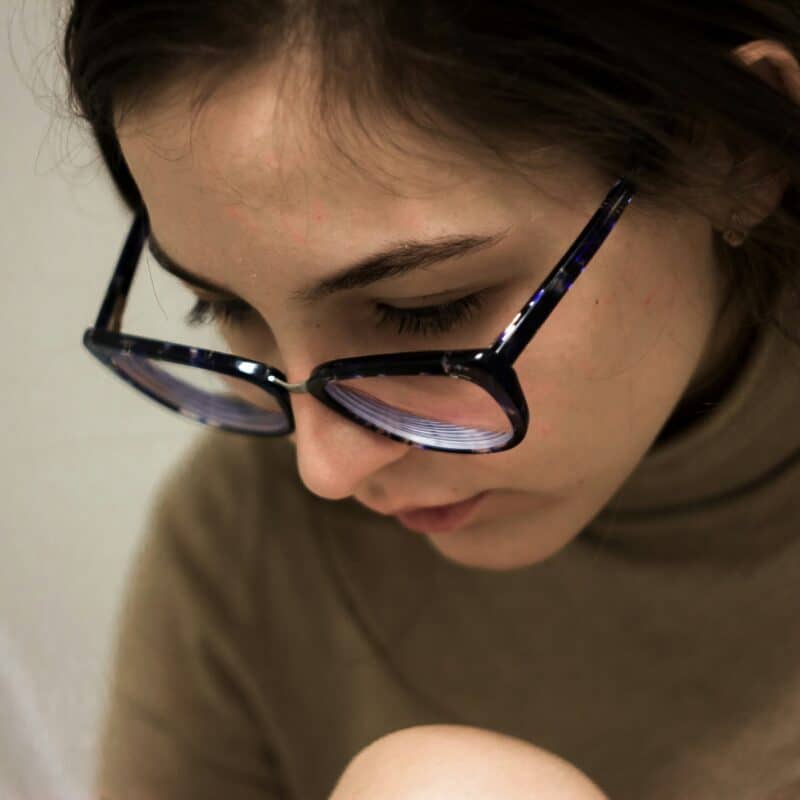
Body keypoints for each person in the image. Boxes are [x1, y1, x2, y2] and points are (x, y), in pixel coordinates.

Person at [63, 3, 800, 798]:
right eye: (227, 309)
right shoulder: (245, 535)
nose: (325, 467)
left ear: (732, 152)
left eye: (424, 310)